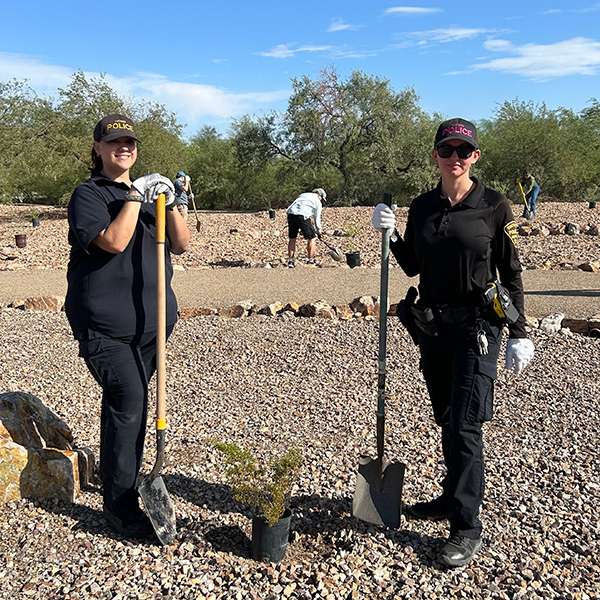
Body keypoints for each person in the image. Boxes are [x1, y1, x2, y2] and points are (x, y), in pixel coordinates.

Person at [372, 118, 535, 567]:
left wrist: (520, 332)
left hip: (477, 330)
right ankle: (449, 497)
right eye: (448, 151)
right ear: (436, 157)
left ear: (475, 156)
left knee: (465, 425)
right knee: (447, 416)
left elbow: (511, 272)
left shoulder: (495, 206)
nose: (456, 159)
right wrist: (390, 236)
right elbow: (410, 266)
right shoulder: (422, 206)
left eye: (464, 151)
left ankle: (466, 527)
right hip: (432, 329)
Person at [65, 114, 190, 538]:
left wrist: (170, 203)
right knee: (130, 398)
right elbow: (114, 241)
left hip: (152, 327)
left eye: (130, 142)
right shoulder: (89, 195)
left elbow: (181, 242)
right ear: (98, 148)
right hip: (104, 327)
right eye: (115, 141)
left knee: (125, 409)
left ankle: (122, 479)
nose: (124, 147)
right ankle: (120, 508)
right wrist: (135, 196)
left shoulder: (151, 195)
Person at [286, 188, 326, 267]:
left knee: (292, 238)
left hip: (290, 214)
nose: (321, 200)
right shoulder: (317, 202)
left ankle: (291, 261)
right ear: (319, 195)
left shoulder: (303, 195)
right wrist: (319, 232)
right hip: (303, 215)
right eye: (322, 198)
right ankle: (310, 260)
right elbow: (317, 219)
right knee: (312, 238)